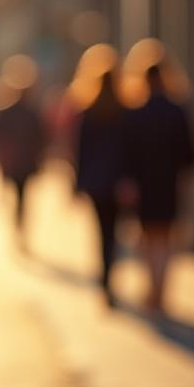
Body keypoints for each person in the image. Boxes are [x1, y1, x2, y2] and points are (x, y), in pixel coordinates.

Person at [124, 61, 194, 317]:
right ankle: (161, 292)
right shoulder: (177, 111)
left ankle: (152, 289)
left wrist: (129, 181)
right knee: (166, 240)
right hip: (170, 184)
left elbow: (128, 155)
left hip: (144, 186)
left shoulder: (137, 113)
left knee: (148, 239)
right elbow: (192, 154)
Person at [73, 67, 134, 308]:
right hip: (118, 184)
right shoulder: (125, 113)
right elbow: (130, 152)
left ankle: (105, 277)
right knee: (115, 233)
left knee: (101, 232)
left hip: (96, 182)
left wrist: (78, 183)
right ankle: (110, 277)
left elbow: (81, 151)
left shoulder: (89, 112)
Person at [0, 82, 47, 252]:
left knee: (18, 195)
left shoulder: (8, 113)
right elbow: (41, 139)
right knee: (23, 196)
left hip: (13, 162)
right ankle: (20, 224)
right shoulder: (32, 114)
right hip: (25, 162)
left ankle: (17, 224)